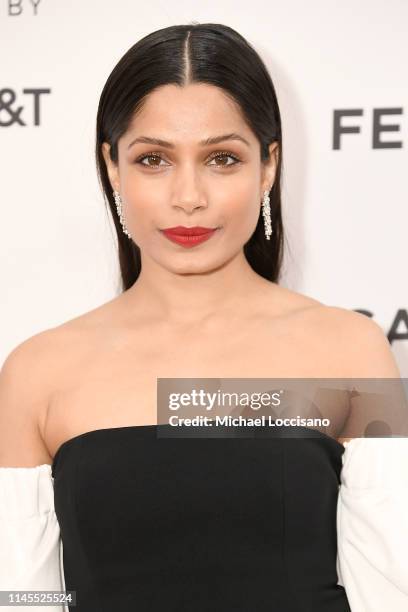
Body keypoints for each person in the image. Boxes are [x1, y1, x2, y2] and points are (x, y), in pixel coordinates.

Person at [0, 22, 407, 612]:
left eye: (220, 158)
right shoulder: (38, 372)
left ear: (268, 167)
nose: (188, 195)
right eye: (154, 160)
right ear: (112, 168)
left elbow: (394, 592)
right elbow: (19, 598)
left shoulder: (350, 351)